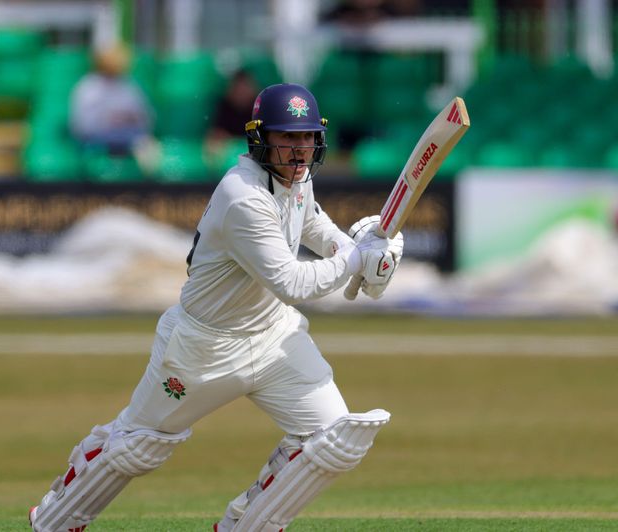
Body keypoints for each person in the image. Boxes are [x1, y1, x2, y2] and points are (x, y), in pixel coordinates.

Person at [29, 83, 404, 532]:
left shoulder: (297, 177)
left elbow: (314, 224)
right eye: (287, 137)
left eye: (306, 137)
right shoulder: (243, 197)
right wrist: (356, 259)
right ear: (260, 139)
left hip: (273, 338)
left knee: (334, 440)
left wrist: (357, 246)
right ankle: (53, 520)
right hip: (203, 348)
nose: (299, 149)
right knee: (138, 446)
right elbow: (292, 282)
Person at [69, 43, 155, 156]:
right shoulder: (88, 87)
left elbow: (146, 117)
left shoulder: (128, 86)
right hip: (95, 138)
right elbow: (83, 125)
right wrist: (111, 119)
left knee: (146, 145)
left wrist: (129, 118)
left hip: (127, 135)